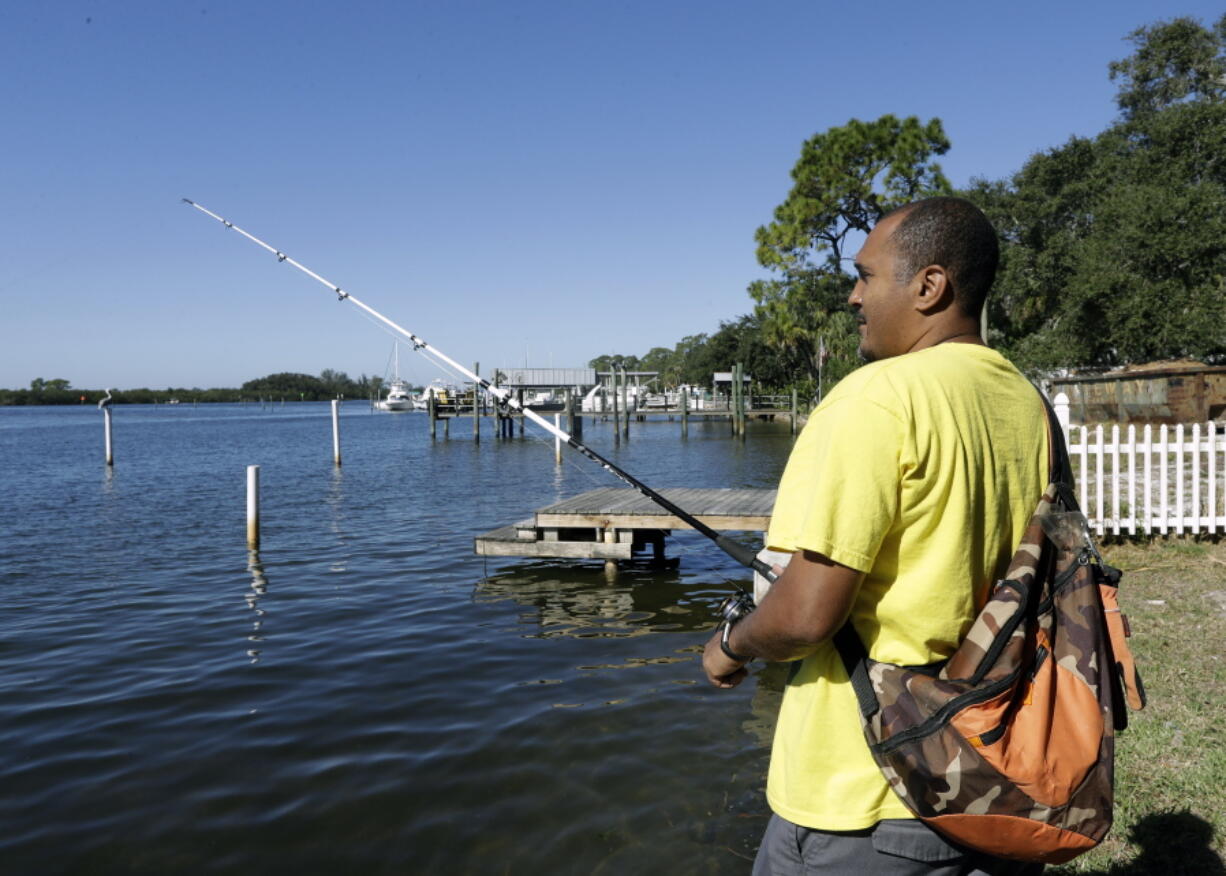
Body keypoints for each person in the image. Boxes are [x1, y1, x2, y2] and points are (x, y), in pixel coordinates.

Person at [703, 197, 1049, 875]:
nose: (854, 296)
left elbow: (804, 615)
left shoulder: (875, 399)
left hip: (865, 804)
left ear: (929, 285)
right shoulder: (1025, 401)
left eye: (866, 276)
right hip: (993, 769)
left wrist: (728, 645)